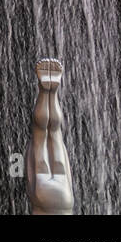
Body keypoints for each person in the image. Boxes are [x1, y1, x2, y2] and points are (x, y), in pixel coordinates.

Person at [27, 58, 74, 214]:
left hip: (64, 196)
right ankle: (46, 91)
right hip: (44, 192)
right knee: (42, 133)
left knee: (54, 132)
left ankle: (51, 92)